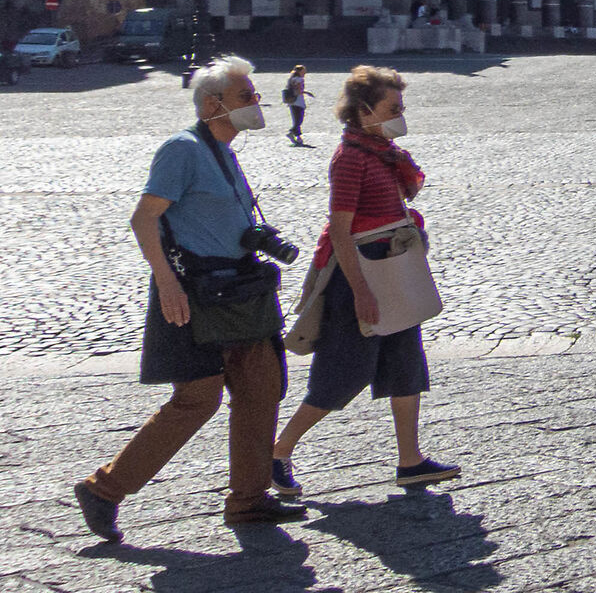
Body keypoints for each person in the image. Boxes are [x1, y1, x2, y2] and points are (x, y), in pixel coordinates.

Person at [75, 56, 304, 538]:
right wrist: (166, 283)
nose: (257, 102)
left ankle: (248, 502)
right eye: (246, 96)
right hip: (195, 292)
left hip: (240, 291)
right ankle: (104, 490)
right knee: (197, 399)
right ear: (212, 105)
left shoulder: (224, 150)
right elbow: (144, 219)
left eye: (255, 94)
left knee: (262, 389)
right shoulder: (182, 149)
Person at [270, 65, 460, 494]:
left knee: (406, 367)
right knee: (344, 372)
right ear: (363, 110)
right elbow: (340, 230)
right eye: (393, 108)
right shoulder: (350, 158)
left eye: (401, 107)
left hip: (393, 268)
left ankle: (410, 461)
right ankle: (278, 451)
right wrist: (360, 292)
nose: (400, 115)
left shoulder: (383, 152)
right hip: (361, 274)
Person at [282, 65, 310, 146]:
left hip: (292, 102)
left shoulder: (291, 79)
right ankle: (292, 132)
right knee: (299, 120)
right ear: (300, 71)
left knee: (296, 119)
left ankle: (298, 137)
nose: (305, 73)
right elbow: (299, 90)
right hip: (298, 102)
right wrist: (304, 92)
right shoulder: (299, 79)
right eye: (303, 71)